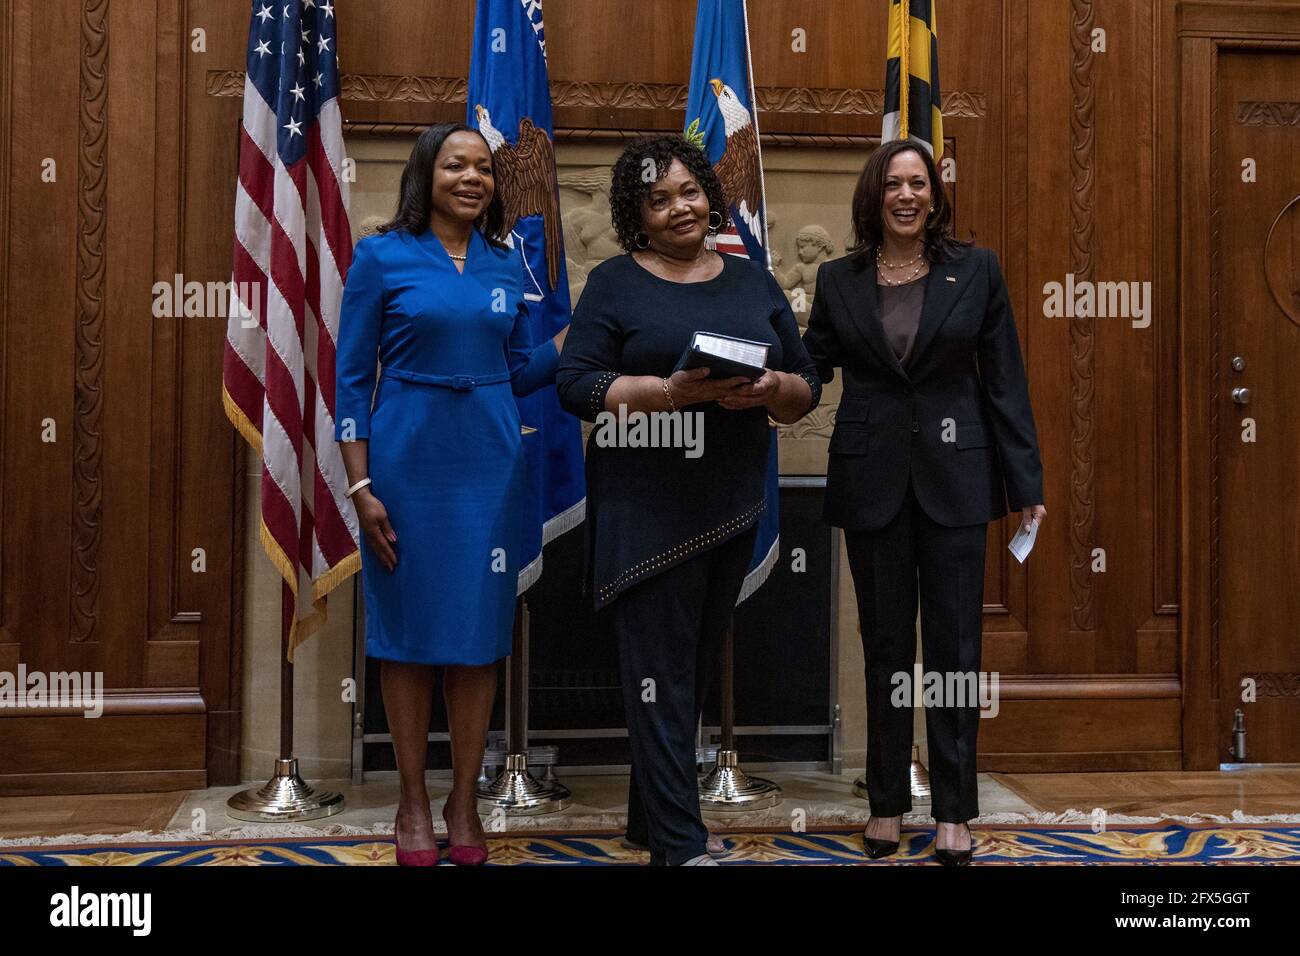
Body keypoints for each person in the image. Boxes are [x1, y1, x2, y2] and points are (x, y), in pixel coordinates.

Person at [556, 134, 820, 866]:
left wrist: (774, 391)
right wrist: (665, 391)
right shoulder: (614, 280)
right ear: (635, 214)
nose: (679, 208)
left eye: (689, 192)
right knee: (660, 675)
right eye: (658, 198)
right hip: (645, 505)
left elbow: (806, 384)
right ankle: (679, 843)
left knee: (685, 674)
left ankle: (649, 820)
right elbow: (574, 383)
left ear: (711, 195)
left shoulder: (751, 278)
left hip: (729, 501)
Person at [801, 139, 1045, 866]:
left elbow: (1005, 380)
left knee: (953, 652)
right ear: (873, 196)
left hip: (956, 481)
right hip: (871, 480)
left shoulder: (977, 270)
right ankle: (883, 801)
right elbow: (808, 368)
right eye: (893, 184)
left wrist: (1026, 484)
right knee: (883, 649)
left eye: (920, 183)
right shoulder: (837, 279)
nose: (907, 195)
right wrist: (756, 365)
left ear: (935, 196)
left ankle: (954, 811)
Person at [334, 122, 566, 867]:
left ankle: (463, 800)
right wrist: (361, 484)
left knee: (476, 637)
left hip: (490, 464)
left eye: (483, 169)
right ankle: (410, 800)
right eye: (455, 165)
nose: (473, 178)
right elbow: (348, 380)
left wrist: (574, 341)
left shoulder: (508, 262)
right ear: (425, 175)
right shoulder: (381, 257)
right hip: (406, 460)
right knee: (405, 636)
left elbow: (521, 370)